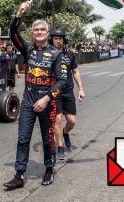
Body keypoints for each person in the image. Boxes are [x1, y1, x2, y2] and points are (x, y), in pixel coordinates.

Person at [3, 1, 67, 190]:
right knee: (23, 139)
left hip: (47, 102)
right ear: (32, 33)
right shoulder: (27, 49)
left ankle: (49, 168)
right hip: (28, 101)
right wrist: (19, 13)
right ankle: (19, 175)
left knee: (48, 139)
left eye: (42, 30)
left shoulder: (56, 55)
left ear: (48, 34)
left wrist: (46, 98)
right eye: (36, 30)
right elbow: (12, 34)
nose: (39, 32)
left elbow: (62, 82)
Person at [50, 29, 86, 160]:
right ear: (51, 40)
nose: (58, 41)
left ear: (63, 40)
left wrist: (81, 89)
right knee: (57, 119)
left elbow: (75, 72)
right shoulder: (47, 53)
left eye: (60, 38)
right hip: (54, 92)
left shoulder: (69, 54)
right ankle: (60, 147)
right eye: (55, 38)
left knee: (71, 121)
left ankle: (65, 133)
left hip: (68, 92)